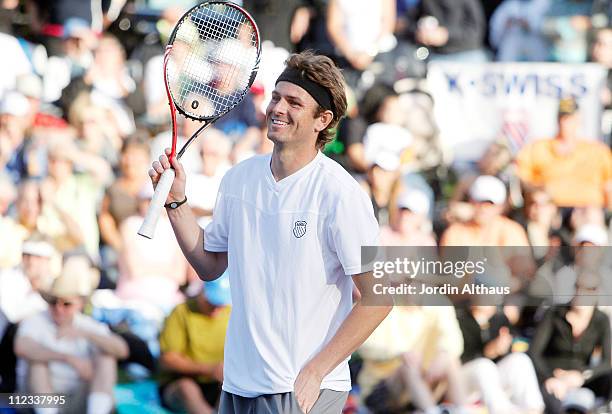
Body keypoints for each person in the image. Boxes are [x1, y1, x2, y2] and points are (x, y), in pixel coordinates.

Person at [148, 50, 392, 413]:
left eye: (294, 102)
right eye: (276, 97)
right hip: (238, 383)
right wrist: (176, 203)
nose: (278, 108)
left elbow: (379, 298)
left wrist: (315, 370)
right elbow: (209, 265)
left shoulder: (340, 193)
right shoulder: (239, 179)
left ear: (322, 120)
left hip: (304, 388)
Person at [14, 256, 129, 414]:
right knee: (38, 364)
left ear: (79, 304)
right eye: (54, 302)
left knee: (106, 358)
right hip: (33, 399)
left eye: (66, 304)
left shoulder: (86, 325)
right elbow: (22, 347)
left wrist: (85, 334)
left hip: (76, 398)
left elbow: (122, 350)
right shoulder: (36, 319)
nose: (59, 309)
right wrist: (68, 358)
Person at [516, 97, 612, 209]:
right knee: (541, 211)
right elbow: (523, 179)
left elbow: (608, 185)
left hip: (586, 207)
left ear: (578, 120)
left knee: (591, 216)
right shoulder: (538, 148)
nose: (565, 123)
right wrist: (538, 192)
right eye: (563, 118)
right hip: (551, 206)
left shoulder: (597, 151)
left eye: (569, 118)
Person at [158, 274, 232, 414]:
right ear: (201, 292)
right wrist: (209, 369)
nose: (216, 309)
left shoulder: (231, 313)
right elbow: (168, 360)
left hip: (218, 384)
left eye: (221, 304)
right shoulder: (181, 312)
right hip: (179, 384)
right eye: (212, 303)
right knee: (187, 388)